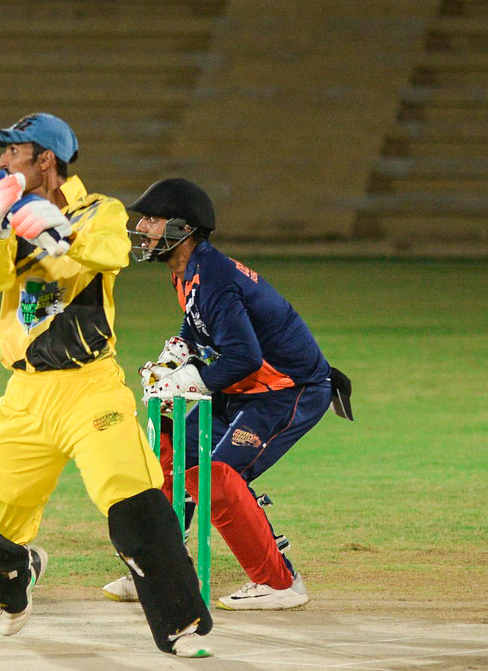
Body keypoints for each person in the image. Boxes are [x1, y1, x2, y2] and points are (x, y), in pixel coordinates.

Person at [0, 114, 213, 657]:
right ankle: (21, 573)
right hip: (25, 396)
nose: (2, 161)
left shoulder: (102, 210)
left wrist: (61, 231)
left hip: (89, 387)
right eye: (2, 152)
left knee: (132, 499)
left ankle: (181, 623)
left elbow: (114, 253)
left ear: (45, 159)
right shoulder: (10, 213)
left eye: (13, 151)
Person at [102, 178, 352, 610]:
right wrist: (176, 354)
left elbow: (245, 358)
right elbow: (197, 324)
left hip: (287, 390)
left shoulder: (215, 277)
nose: (141, 227)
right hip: (246, 389)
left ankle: (279, 583)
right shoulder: (189, 270)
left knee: (215, 476)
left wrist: (191, 380)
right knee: (171, 446)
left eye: (152, 219)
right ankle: (163, 567)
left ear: (183, 228)